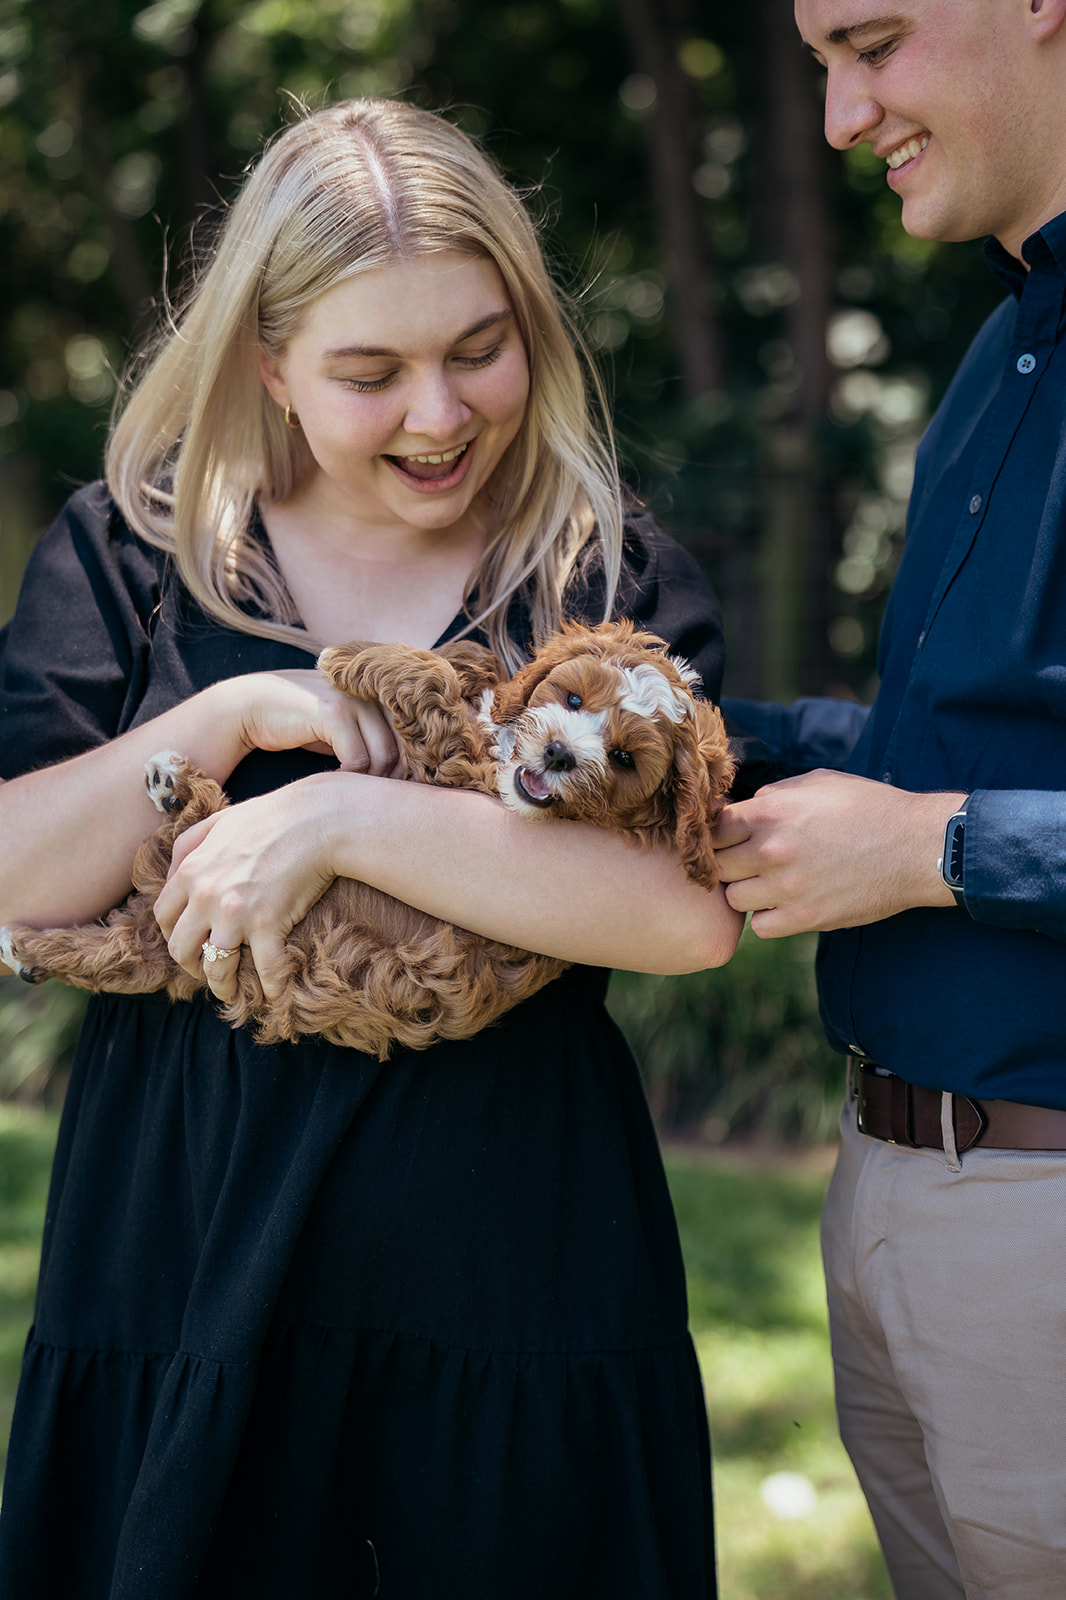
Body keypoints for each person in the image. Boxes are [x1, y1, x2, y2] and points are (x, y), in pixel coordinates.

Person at [0, 98, 743, 1599]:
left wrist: (341, 815)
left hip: (514, 1261)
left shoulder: (597, 575)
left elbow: (680, 914)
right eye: (369, 371)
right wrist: (217, 721)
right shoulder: (131, 560)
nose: (438, 414)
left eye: (478, 348)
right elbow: (15, 878)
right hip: (179, 1243)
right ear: (267, 365)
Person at [713, 3, 1066, 1597]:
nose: (847, 116)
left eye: (873, 43)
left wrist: (923, 851)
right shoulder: (1005, 347)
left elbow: (944, 815)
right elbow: (976, 742)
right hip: (892, 1203)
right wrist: (709, 737)